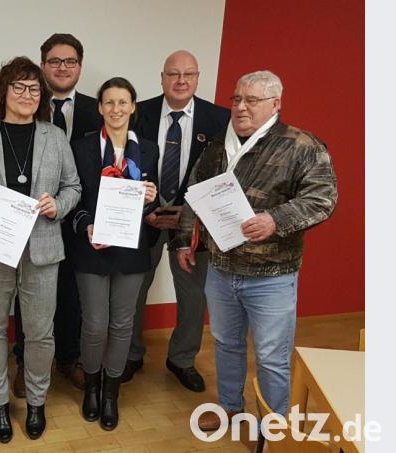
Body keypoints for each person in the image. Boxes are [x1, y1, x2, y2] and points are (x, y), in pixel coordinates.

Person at [171, 70, 338, 430]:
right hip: (221, 269)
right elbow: (195, 194)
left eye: (252, 100)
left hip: (271, 276)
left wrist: (275, 220)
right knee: (225, 344)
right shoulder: (218, 145)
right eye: (237, 99)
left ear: (276, 104)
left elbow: (323, 199)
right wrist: (184, 240)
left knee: (272, 356)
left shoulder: (301, 145)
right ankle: (230, 408)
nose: (241, 107)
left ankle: (274, 427)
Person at [0, 56, 81, 442]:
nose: (27, 94)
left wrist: (59, 205)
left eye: (34, 88)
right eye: (19, 86)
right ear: (3, 91)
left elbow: (73, 186)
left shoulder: (54, 137)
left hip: (42, 249)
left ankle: (37, 402)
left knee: (40, 333)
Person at [123, 50, 230, 392]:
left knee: (193, 294)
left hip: (194, 221)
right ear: (162, 77)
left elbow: (224, 175)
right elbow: (123, 165)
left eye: (188, 74)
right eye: (173, 74)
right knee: (133, 290)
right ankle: (131, 354)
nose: (181, 80)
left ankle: (182, 359)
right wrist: (146, 211)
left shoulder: (219, 119)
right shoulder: (138, 113)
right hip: (146, 220)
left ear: (198, 78)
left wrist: (191, 212)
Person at [11, 33, 103, 396]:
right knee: (28, 295)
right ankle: (25, 362)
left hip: (82, 220)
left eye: (70, 61)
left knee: (72, 293)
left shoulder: (98, 109)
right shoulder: (25, 105)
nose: (62, 67)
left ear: (80, 66)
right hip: (33, 221)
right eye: (54, 61)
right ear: (42, 65)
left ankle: (68, 358)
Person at [70, 77, 158, 431]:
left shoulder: (148, 149)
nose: (116, 109)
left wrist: (151, 198)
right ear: (100, 108)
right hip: (92, 246)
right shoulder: (81, 147)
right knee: (94, 325)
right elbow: (72, 196)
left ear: (133, 107)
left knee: (122, 325)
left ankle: (111, 394)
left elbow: (152, 206)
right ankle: (91, 386)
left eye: (123, 102)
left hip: (131, 250)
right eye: (109, 102)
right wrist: (86, 225)